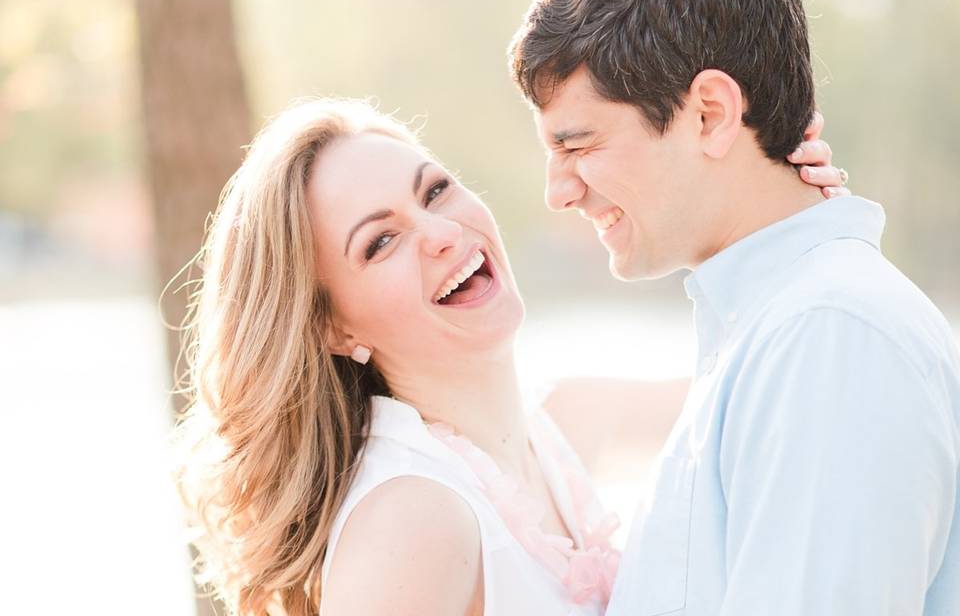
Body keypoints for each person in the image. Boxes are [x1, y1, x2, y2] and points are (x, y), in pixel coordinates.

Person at [172, 97, 840, 615]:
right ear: (333, 328)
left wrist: (790, 214)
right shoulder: (410, 518)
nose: (439, 232)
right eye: (380, 242)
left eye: (435, 190)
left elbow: (777, 382)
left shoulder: (564, 421)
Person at [509, 0, 960, 614]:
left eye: (579, 145)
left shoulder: (828, 336)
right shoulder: (776, 328)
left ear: (710, 114)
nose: (558, 192)